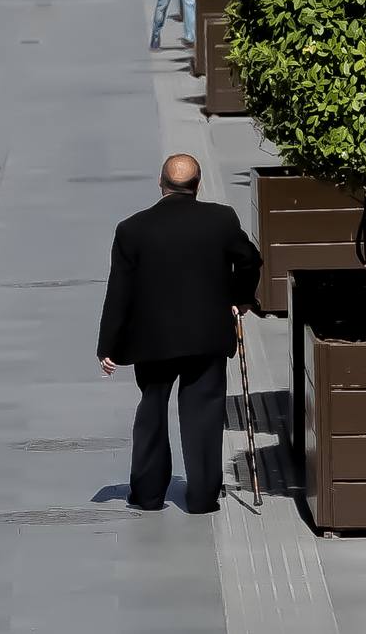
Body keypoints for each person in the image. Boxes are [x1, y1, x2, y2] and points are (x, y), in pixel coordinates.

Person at [97, 155, 262, 515]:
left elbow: (119, 291)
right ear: (198, 185)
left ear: (161, 183)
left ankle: (148, 494)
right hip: (207, 336)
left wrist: (108, 345)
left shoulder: (132, 229)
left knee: (153, 409)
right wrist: (240, 297)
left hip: (152, 341)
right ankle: (202, 497)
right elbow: (250, 259)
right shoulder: (220, 220)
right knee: (203, 412)